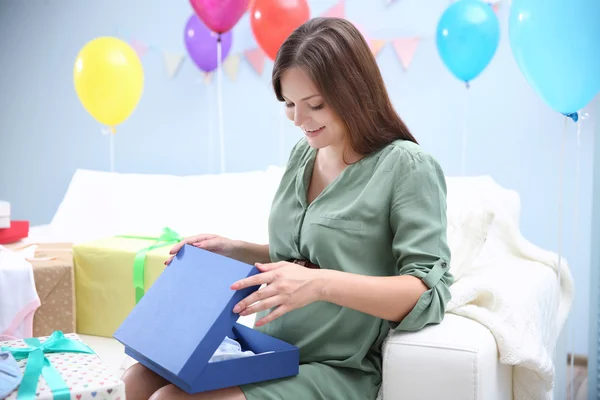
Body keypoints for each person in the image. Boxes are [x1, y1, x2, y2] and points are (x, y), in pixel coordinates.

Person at [122, 16, 454, 400]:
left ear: (355, 92)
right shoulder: (305, 154)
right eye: (290, 104)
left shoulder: (407, 167)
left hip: (335, 365)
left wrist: (321, 285)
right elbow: (303, 257)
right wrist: (233, 249)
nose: (298, 120)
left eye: (314, 105)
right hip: (267, 349)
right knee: (135, 380)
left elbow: (427, 292)